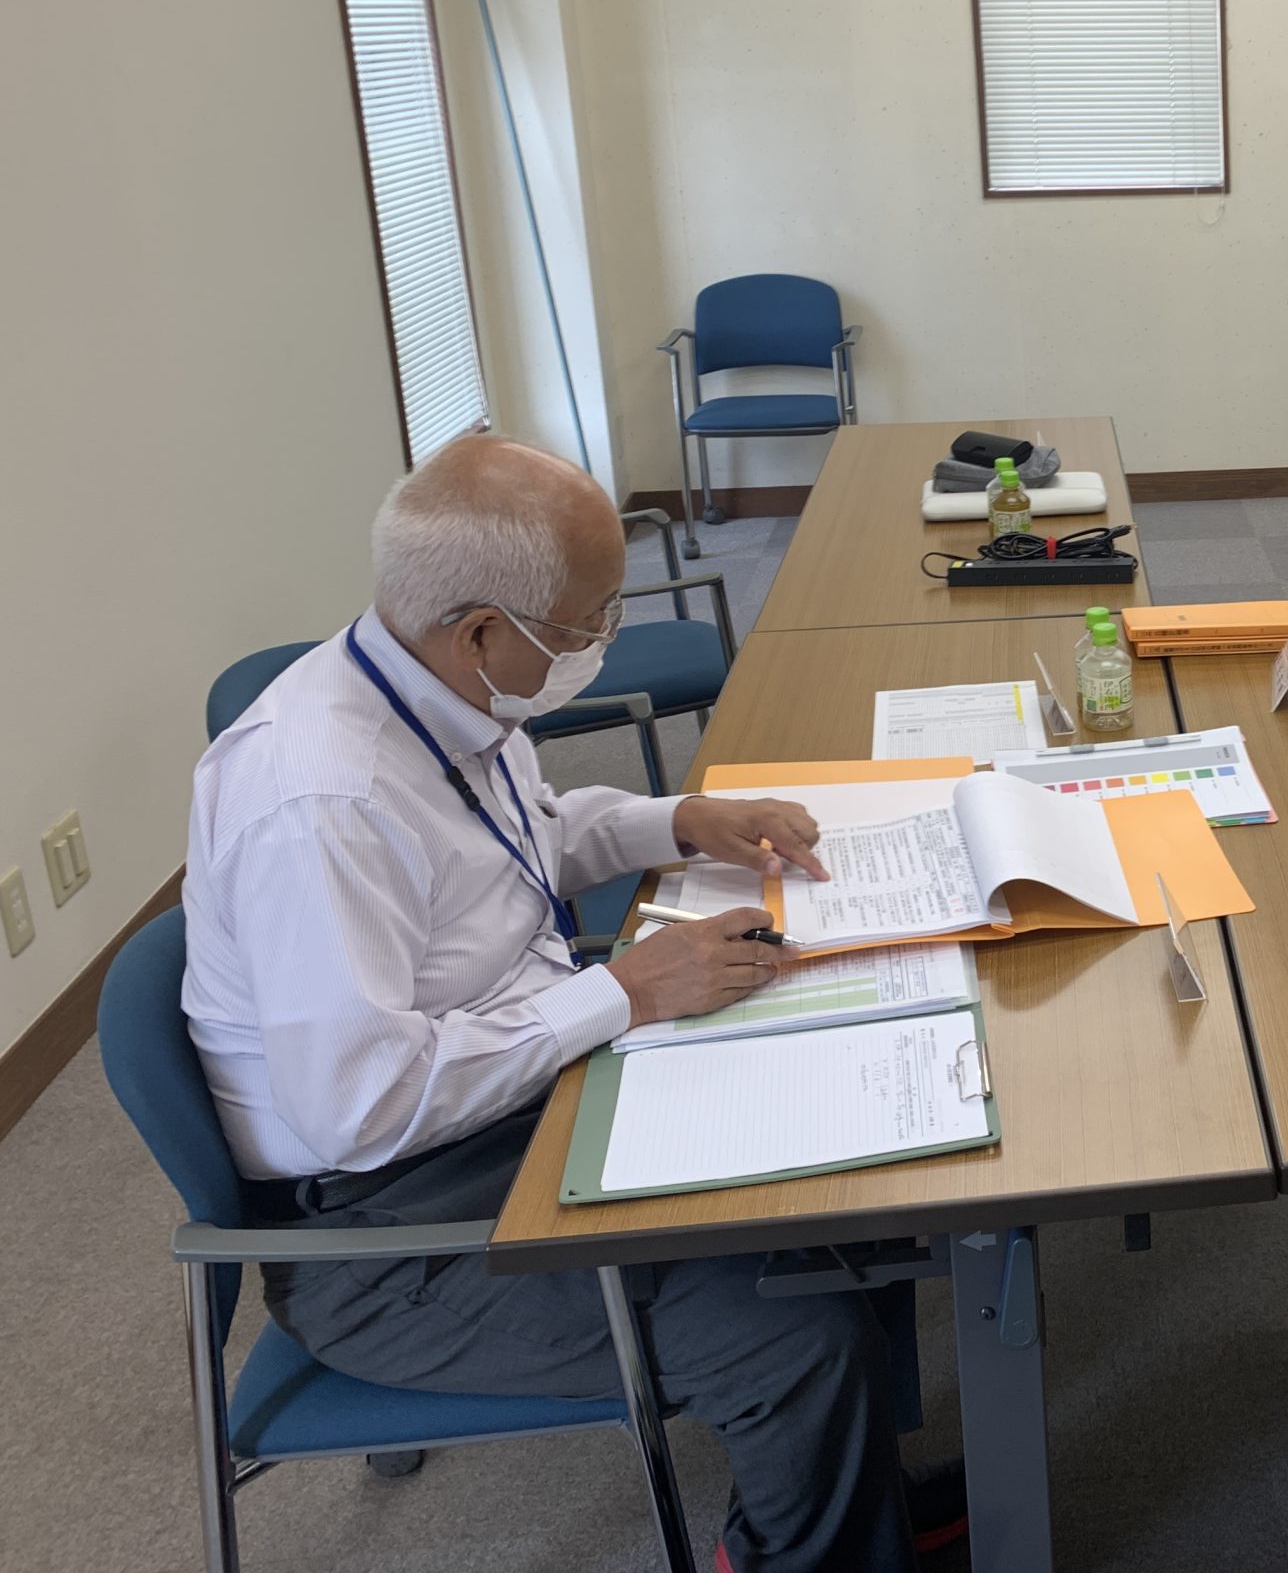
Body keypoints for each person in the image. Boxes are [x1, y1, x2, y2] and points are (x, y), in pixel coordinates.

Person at [184, 434, 932, 1573]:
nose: (602, 642)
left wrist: (677, 821)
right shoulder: (321, 804)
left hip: (504, 1102)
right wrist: (621, 993)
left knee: (842, 1156)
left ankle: (842, 1502)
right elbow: (362, 1107)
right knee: (796, 1336)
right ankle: (814, 1539)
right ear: (482, 630)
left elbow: (513, 849)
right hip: (390, 1233)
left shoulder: (435, 690)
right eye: (587, 626)